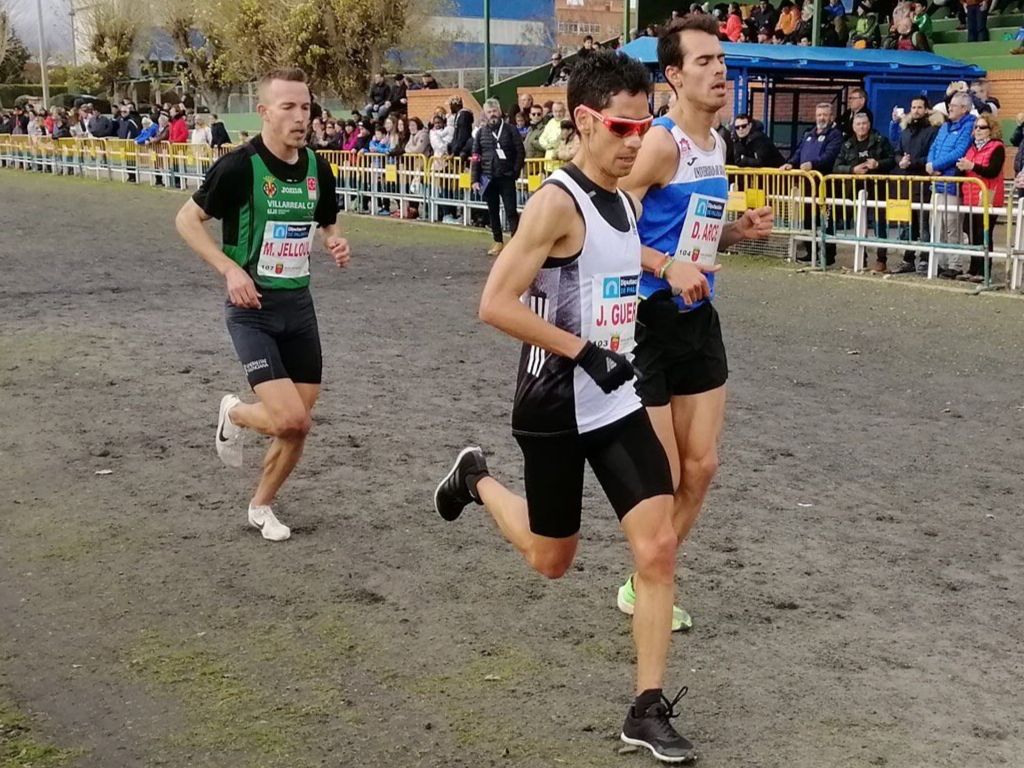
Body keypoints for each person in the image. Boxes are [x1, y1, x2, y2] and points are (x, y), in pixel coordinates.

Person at [434, 48, 695, 765]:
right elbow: (494, 303)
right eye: (622, 127)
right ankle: (475, 480)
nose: (636, 141)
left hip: (616, 402)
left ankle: (646, 708)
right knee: (553, 561)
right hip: (553, 407)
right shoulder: (556, 202)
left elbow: (624, 266)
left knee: (659, 544)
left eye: (644, 128)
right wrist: (583, 351)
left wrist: (698, 253)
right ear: (584, 120)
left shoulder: (625, 199)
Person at [620, 14, 772, 636]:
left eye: (722, 60)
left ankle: (641, 580)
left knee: (703, 466)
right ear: (674, 75)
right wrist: (664, 263)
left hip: (697, 313)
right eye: (704, 62)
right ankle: (653, 578)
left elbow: (698, 239)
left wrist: (736, 233)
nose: (719, 71)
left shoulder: (719, 146)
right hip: (647, 320)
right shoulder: (659, 143)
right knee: (666, 476)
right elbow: (606, 229)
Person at [173, 68, 352, 542]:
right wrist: (229, 270)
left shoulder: (318, 167)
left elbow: (327, 222)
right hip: (251, 309)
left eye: (306, 107)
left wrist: (335, 241)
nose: (300, 117)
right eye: (288, 107)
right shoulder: (238, 167)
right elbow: (187, 220)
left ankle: (261, 504)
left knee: (297, 427)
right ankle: (233, 412)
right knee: (290, 417)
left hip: (299, 308)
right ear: (265, 112)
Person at [833, 111, 895, 272]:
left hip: (878, 187)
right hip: (854, 189)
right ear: (853, 127)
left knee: (879, 224)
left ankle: (881, 259)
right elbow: (837, 166)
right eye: (858, 124)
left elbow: (892, 160)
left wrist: (878, 164)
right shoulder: (847, 144)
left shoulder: (881, 141)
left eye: (865, 123)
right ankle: (861, 259)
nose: (862, 127)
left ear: (869, 125)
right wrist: (852, 169)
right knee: (858, 224)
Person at [782, 103, 843, 264]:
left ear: (831, 116)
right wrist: (791, 163)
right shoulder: (808, 134)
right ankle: (810, 252)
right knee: (808, 219)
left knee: (826, 221)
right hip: (807, 185)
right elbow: (798, 153)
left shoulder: (835, 135)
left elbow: (830, 156)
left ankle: (828, 256)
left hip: (825, 184)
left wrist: (813, 164)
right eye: (819, 115)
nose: (822, 118)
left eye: (825, 114)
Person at [926, 91, 975, 278]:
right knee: (935, 223)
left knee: (952, 225)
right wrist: (930, 165)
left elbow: (959, 151)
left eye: (953, 105)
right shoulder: (945, 126)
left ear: (964, 108)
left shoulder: (968, 127)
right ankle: (939, 262)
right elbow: (934, 147)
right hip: (937, 182)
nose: (949, 108)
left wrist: (936, 165)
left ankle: (955, 264)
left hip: (952, 183)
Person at [890, 96, 939, 275]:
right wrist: (900, 161)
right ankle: (907, 259)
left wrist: (914, 163)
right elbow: (897, 151)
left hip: (924, 182)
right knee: (907, 224)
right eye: (913, 107)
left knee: (924, 223)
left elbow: (932, 155)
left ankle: (925, 259)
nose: (916, 110)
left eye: (920, 107)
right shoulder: (906, 131)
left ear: (926, 109)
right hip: (906, 182)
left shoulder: (933, 130)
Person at [471, 98, 526, 256]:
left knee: (511, 210)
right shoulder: (481, 132)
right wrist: (474, 179)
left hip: (506, 177)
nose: (492, 114)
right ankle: (498, 241)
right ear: (485, 114)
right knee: (492, 211)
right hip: (488, 178)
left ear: (500, 112)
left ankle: (516, 242)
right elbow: (476, 156)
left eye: (494, 111)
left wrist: (514, 172)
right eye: (489, 112)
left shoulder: (510, 129)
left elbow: (520, 152)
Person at [954, 116, 1004, 282]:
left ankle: (984, 271)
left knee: (984, 233)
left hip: (988, 196)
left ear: (991, 129)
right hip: (970, 196)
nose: (978, 130)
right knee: (971, 232)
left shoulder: (997, 147)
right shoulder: (971, 148)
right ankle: (973, 268)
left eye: (982, 127)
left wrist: (972, 166)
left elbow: (993, 171)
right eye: (976, 127)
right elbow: (964, 171)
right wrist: (960, 168)